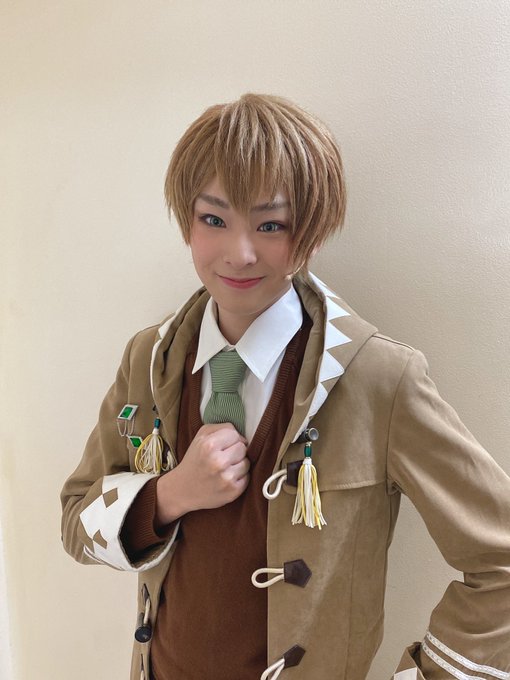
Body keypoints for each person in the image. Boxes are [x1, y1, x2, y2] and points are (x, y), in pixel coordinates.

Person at [60, 93, 510, 680]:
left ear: (313, 233)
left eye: (271, 225)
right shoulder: (149, 359)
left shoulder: (378, 378)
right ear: (187, 221)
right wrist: (170, 494)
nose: (239, 253)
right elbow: (76, 521)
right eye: (213, 219)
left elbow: (501, 562)